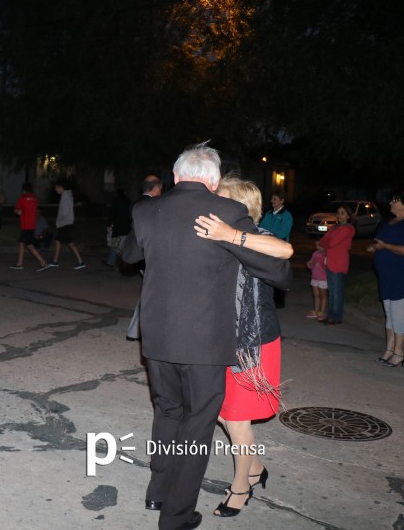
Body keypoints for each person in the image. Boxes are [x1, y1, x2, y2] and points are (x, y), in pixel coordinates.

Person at [131, 143, 290, 530]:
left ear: (174, 175)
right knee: (198, 426)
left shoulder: (145, 210)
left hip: (156, 339)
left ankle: (157, 491)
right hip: (204, 342)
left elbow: (129, 256)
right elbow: (279, 273)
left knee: (167, 411)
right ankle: (176, 516)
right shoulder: (229, 212)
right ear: (214, 180)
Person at [194, 175, 293, 518]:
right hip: (222, 338)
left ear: (237, 204)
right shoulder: (216, 235)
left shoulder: (256, 237)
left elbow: (286, 251)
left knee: (236, 419)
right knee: (223, 413)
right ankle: (254, 467)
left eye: (218, 197)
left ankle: (241, 487)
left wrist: (232, 235)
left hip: (254, 341)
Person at [367, 191, 404, 368]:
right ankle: (389, 349)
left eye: (396, 201)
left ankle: (400, 353)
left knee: (398, 315)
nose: (391, 203)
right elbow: (381, 242)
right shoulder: (388, 223)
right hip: (387, 277)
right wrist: (376, 247)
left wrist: (385, 246)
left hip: (403, 277)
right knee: (389, 315)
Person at [124, 175, 163, 341]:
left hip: (137, 253)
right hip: (146, 255)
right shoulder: (152, 205)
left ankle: (134, 332)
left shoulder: (135, 203)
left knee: (148, 294)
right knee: (151, 296)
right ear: (155, 188)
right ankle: (140, 332)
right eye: (161, 188)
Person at [317, 204, 355, 325]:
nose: (339, 215)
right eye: (338, 212)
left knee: (336, 292)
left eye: (343, 213)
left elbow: (331, 242)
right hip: (329, 260)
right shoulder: (334, 227)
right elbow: (323, 240)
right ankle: (331, 315)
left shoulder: (348, 229)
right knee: (332, 291)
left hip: (338, 262)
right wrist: (324, 243)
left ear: (348, 216)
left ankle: (336, 317)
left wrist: (324, 244)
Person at [259, 191, 293, 308]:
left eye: (275, 199)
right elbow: (261, 228)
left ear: (281, 201)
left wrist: (270, 236)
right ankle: (266, 299)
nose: (272, 201)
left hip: (279, 249)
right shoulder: (269, 214)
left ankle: (278, 301)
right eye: (272, 199)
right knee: (267, 275)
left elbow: (283, 232)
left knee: (278, 276)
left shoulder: (286, 216)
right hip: (267, 248)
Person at [10, 182, 49, 271]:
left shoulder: (22, 198)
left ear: (23, 190)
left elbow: (17, 210)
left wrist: (17, 211)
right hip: (32, 225)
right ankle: (19, 263)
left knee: (29, 245)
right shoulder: (35, 198)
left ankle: (43, 262)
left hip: (25, 226)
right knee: (21, 242)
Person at [47, 181, 85, 270]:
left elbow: (65, 212)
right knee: (61, 241)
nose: (55, 189)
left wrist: (59, 219)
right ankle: (55, 260)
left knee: (67, 243)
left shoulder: (65, 196)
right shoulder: (67, 195)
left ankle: (80, 262)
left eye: (56, 187)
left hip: (65, 223)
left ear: (61, 187)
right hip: (66, 223)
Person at [104, 188, 132, 267]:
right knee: (123, 246)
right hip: (126, 228)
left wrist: (108, 224)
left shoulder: (116, 202)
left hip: (118, 228)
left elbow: (112, 214)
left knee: (115, 246)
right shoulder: (128, 202)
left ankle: (111, 262)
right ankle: (124, 263)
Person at [305, 248, 328, 320]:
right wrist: (309, 264)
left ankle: (322, 311)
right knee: (316, 295)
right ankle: (316, 311)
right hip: (315, 277)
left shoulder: (327, 254)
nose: (318, 247)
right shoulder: (315, 253)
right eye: (317, 245)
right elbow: (311, 263)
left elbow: (327, 266)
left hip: (323, 279)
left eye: (320, 245)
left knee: (323, 296)